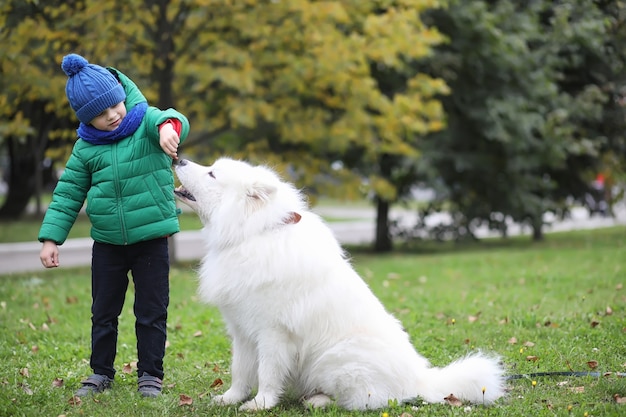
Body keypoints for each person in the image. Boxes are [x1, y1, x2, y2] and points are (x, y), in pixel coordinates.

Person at [38, 53, 190, 398]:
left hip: (151, 240)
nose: (111, 116)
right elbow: (68, 193)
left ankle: (150, 374)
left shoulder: (148, 122)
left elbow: (172, 117)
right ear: (86, 119)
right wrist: (50, 239)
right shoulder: (86, 148)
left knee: (151, 312)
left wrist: (170, 128)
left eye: (113, 106)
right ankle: (100, 372)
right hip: (107, 244)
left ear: (122, 94)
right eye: (99, 114)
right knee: (103, 312)